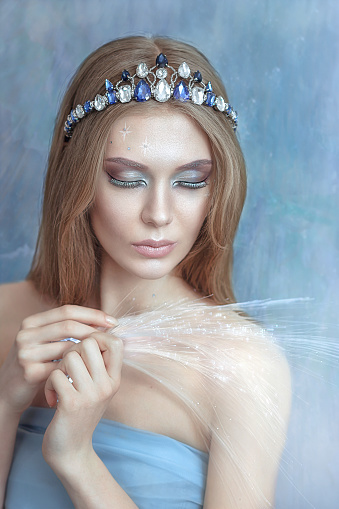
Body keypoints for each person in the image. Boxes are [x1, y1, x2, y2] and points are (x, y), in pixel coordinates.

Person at [0, 36, 291, 508]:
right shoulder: (6, 316)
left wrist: (77, 460)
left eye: (190, 181)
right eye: (128, 179)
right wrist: (4, 403)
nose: (159, 213)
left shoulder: (240, 365)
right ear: (79, 179)